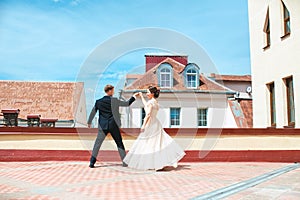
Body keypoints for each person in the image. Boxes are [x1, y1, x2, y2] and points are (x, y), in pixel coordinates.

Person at [123, 86, 186, 170]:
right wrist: (141, 96)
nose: (147, 94)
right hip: (156, 123)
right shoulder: (155, 102)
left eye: (148, 92)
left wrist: (143, 125)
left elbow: (148, 114)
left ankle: (153, 164)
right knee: (157, 144)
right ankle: (158, 163)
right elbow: (146, 106)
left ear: (152, 94)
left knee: (148, 143)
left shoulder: (150, 103)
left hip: (150, 124)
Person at [87, 84, 139, 168]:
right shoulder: (114, 100)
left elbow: (93, 112)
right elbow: (127, 104)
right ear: (110, 91)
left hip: (102, 126)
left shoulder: (98, 101)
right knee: (119, 143)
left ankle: (92, 163)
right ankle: (124, 162)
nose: (113, 92)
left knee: (97, 144)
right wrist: (134, 97)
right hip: (113, 125)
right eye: (113, 90)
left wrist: (89, 122)